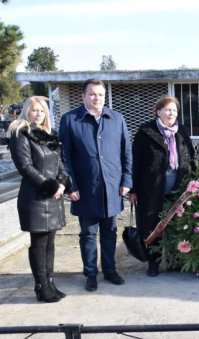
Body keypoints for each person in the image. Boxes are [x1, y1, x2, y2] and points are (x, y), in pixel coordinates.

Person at [59, 79, 133, 292]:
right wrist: (71, 185)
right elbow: (65, 157)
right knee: (88, 234)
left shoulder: (117, 119)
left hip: (112, 187)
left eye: (100, 94)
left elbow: (126, 152)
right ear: (83, 96)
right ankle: (90, 273)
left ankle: (110, 270)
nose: (96, 98)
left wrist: (126, 180)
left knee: (110, 232)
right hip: (85, 188)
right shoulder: (70, 120)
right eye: (92, 94)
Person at [7, 96, 71, 302]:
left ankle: (50, 283)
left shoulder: (48, 135)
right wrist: (50, 186)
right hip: (35, 198)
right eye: (34, 110)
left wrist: (62, 183)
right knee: (39, 243)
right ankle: (41, 286)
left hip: (53, 197)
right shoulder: (20, 134)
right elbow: (26, 167)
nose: (38, 114)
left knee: (50, 243)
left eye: (42, 110)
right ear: (27, 111)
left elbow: (59, 163)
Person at [129, 95, 195, 276]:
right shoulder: (146, 132)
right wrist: (133, 189)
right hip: (150, 189)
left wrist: (194, 180)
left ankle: (175, 260)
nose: (171, 113)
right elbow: (136, 162)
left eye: (174, 110)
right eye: (167, 109)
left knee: (177, 224)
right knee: (152, 226)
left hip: (178, 188)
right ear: (158, 112)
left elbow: (191, 155)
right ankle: (154, 263)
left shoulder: (181, 131)